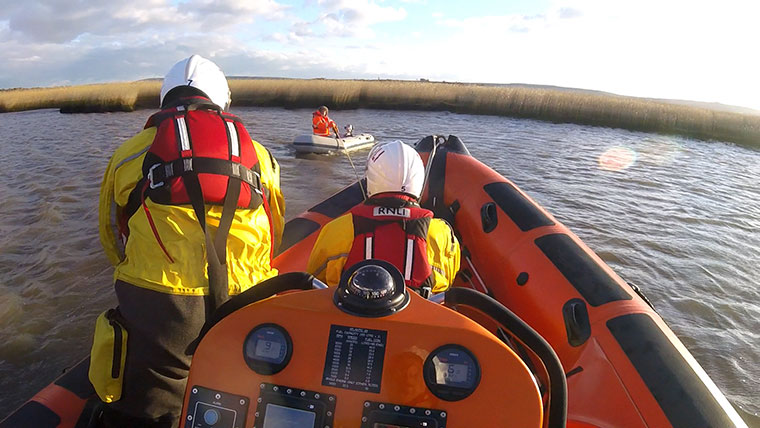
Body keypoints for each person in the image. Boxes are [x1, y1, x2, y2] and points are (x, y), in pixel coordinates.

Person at [91, 54, 285, 427]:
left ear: (166, 99)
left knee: (153, 407)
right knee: (247, 391)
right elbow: (274, 231)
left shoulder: (128, 153)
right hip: (248, 292)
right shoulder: (262, 156)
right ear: (220, 101)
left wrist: (135, 270)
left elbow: (111, 236)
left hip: (161, 298)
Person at [306, 140, 460, 294]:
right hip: (417, 315)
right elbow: (449, 280)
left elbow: (313, 280)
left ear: (371, 179)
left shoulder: (337, 229)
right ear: (419, 180)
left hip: (347, 315)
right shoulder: (442, 233)